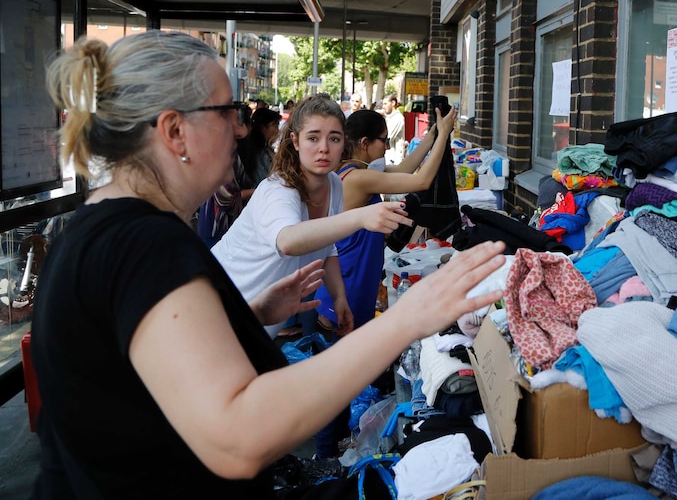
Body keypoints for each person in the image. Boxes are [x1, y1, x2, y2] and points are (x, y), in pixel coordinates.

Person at [31, 30, 506, 499]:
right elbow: (238, 437)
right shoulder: (143, 244)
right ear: (175, 131)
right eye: (227, 112)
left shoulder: (105, 229)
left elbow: (138, 372)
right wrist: (404, 322)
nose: (241, 129)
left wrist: (250, 312)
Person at [210, 93, 412, 340]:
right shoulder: (278, 188)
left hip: (257, 326)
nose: (324, 148)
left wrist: (339, 298)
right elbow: (288, 241)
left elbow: (328, 250)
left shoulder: (334, 184)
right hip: (216, 310)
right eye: (313, 138)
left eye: (334, 138)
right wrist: (360, 217)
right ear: (295, 141)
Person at [315, 106, 457, 330]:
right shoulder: (359, 178)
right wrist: (445, 134)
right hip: (349, 281)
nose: (387, 146)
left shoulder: (351, 171)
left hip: (351, 276)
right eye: (384, 140)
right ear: (364, 143)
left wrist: (433, 135)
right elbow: (422, 182)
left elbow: (404, 169)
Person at [239, 107, 280, 185]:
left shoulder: (262, 149)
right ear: (263, 128)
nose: (278, 130)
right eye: (275, 125)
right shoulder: (259, 153)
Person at [382, 94, 406, 165]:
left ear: (393, 103)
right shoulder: (388, 117)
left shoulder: (398, 118)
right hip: (388, 158)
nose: (383, 106)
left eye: (385, 104)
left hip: (394, 159)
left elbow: (388, 136)